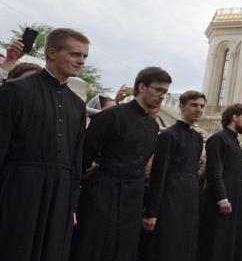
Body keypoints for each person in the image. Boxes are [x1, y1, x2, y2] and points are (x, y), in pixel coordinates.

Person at [0, 28, 89, 261]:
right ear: (51, 53)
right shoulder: (15, 91)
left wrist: (72, 205)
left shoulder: (77, 105)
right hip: (19, 188)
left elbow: (76, 160)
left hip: (59, 195)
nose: (81, 61)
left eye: (85, 56)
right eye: (75, 54)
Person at [71, 66, 169, 261]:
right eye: (158, 90)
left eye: (165, 92)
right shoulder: (111, 116)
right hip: (101, 194)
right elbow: (82, 158)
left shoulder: (152, 125)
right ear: (142, 87)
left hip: (133, 199)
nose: (162, 96)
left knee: (124, 250)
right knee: (94, 248)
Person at [140, 90, 206, 261]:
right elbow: (158, 173)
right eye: (194, 105)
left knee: (186, 242)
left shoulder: (198, 139)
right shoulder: (168, 135)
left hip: (190, 196)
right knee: (167, 243)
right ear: (181, 106)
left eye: (202, 106)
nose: (199, 109)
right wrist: (152, 211)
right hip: (170, 196)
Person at [198, 103, 242, 261]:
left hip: (235, 200)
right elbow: (214, 172)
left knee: (229, 245)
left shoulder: (233, 141)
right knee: (216, 245)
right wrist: (222, 199)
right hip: (222, 202)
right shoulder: (218, 138)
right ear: (235, 117)